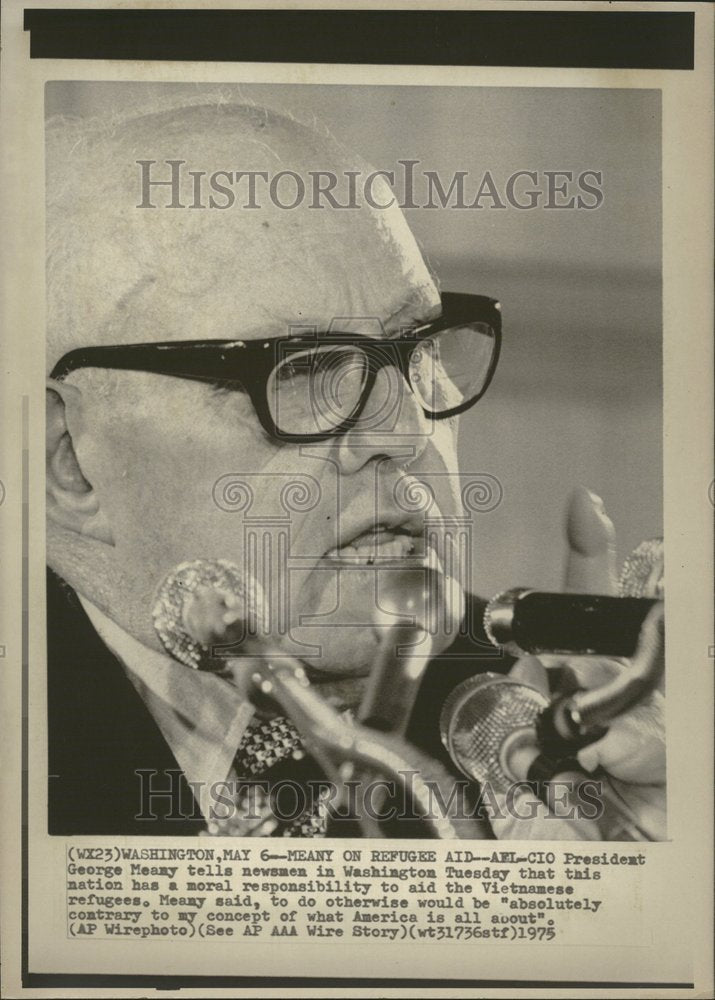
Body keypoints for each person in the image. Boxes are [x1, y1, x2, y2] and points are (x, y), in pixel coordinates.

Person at [45, 100, 665, 838]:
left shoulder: (558, 729)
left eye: (418, 348)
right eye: (300, 369)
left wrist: (640, 897)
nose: (403, 430)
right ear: (70, 462)